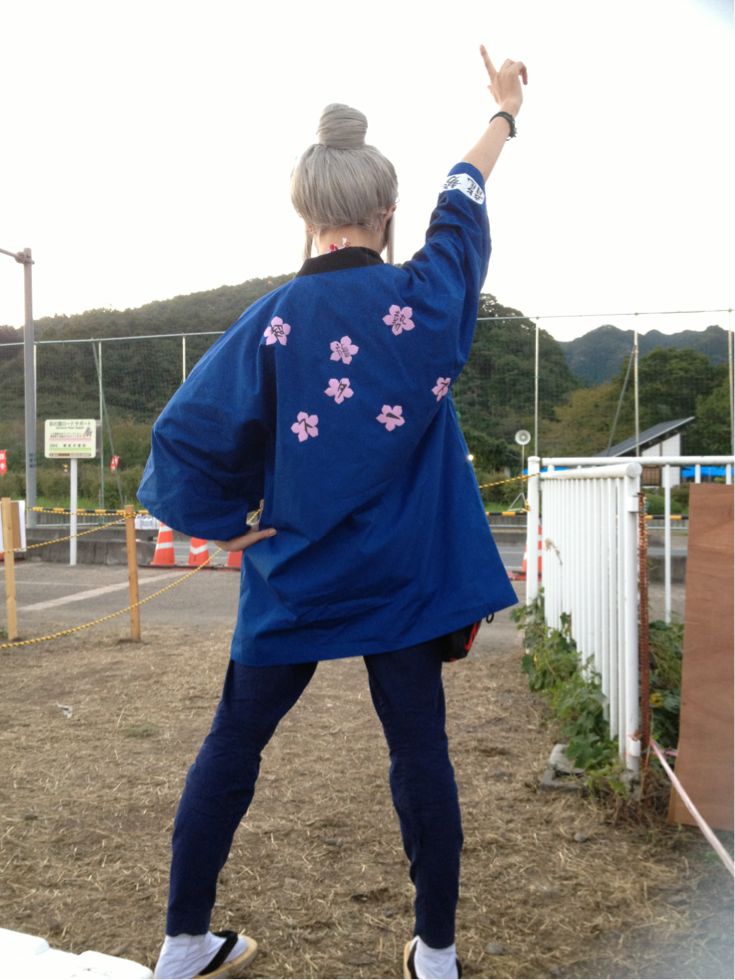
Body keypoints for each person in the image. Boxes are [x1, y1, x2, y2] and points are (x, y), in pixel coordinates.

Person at [138, 44, 527, 980]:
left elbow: (183, 433)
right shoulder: (424, 299)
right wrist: (504, 112)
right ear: (385, 212)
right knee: (420, 753)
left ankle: (183, 944)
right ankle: (436, 955)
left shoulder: (271, 321)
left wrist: (224, 522)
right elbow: (462, 198)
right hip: (405, 582)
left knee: (233, 743)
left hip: (296, 578)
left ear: (305, 215)